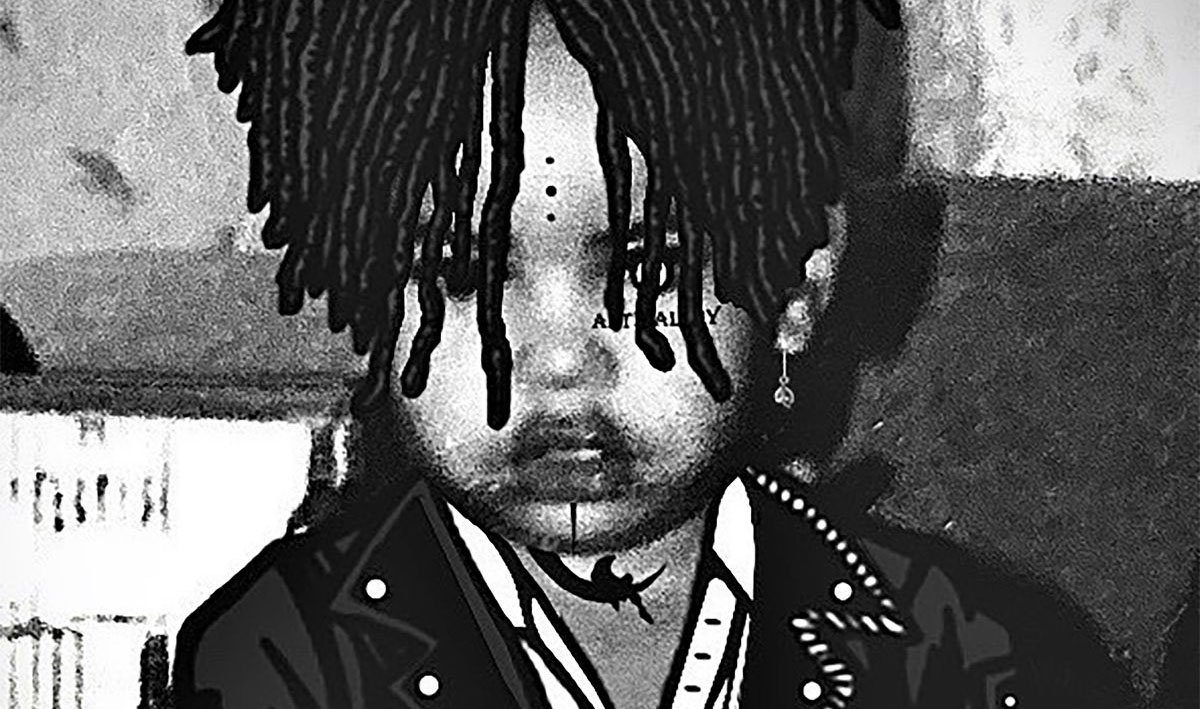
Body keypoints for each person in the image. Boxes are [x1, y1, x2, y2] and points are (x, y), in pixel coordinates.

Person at [172, 0, 1137, 706]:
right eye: (462, 272)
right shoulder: (280, 653)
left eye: (647, 268)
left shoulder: (975, 654)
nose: (558, 358)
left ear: (793, 282)